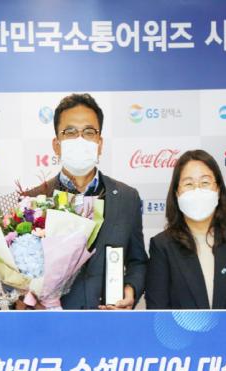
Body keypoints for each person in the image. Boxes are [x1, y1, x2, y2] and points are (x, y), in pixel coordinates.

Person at [24, 93, 147, 309]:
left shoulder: (127, 198)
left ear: (99, 143)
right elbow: (21, 268)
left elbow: (138, 262)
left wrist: (131, 290)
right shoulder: (34, 200)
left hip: (108, 318)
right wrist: (27, 298)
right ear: (56, 145)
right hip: (53, 320)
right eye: (70, 132)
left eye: (89, 132)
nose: (80, 139)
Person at [145, 149, 226, 309]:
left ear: (218, 190)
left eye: (205, 182)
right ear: (177, 193)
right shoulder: (162, 246)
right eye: (188, 184)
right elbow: (158, 314)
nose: (197, 190)